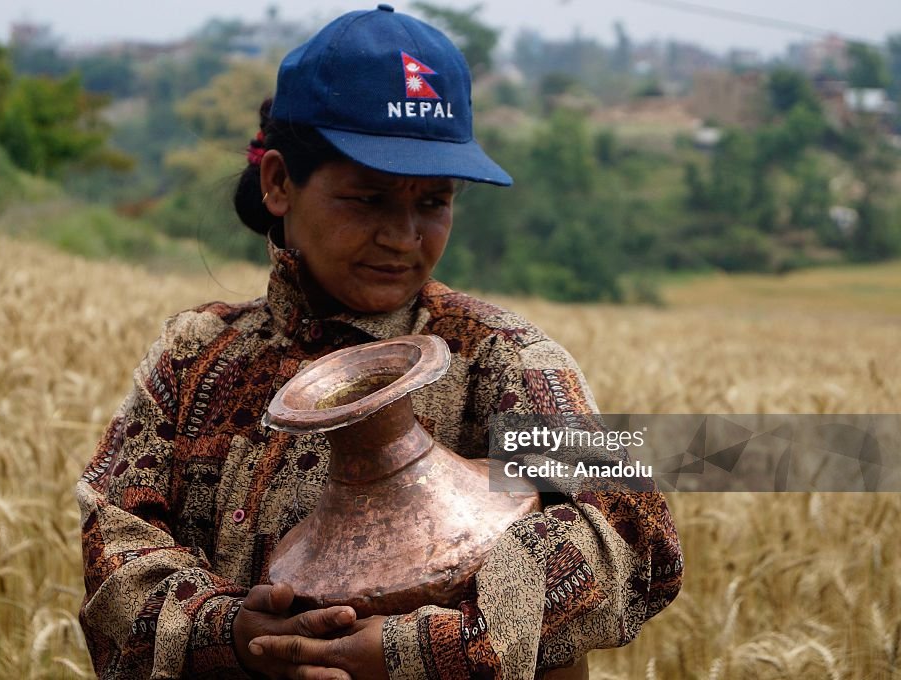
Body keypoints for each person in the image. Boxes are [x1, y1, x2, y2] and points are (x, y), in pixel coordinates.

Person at [76, 5, 683, 679]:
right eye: (367, 200)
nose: (402, 237)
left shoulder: (503, 358)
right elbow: (117, 548)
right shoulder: (194, 354)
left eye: (433, 203)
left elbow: (628, 531)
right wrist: (235, 633)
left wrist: (418, 648)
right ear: (279, 182)